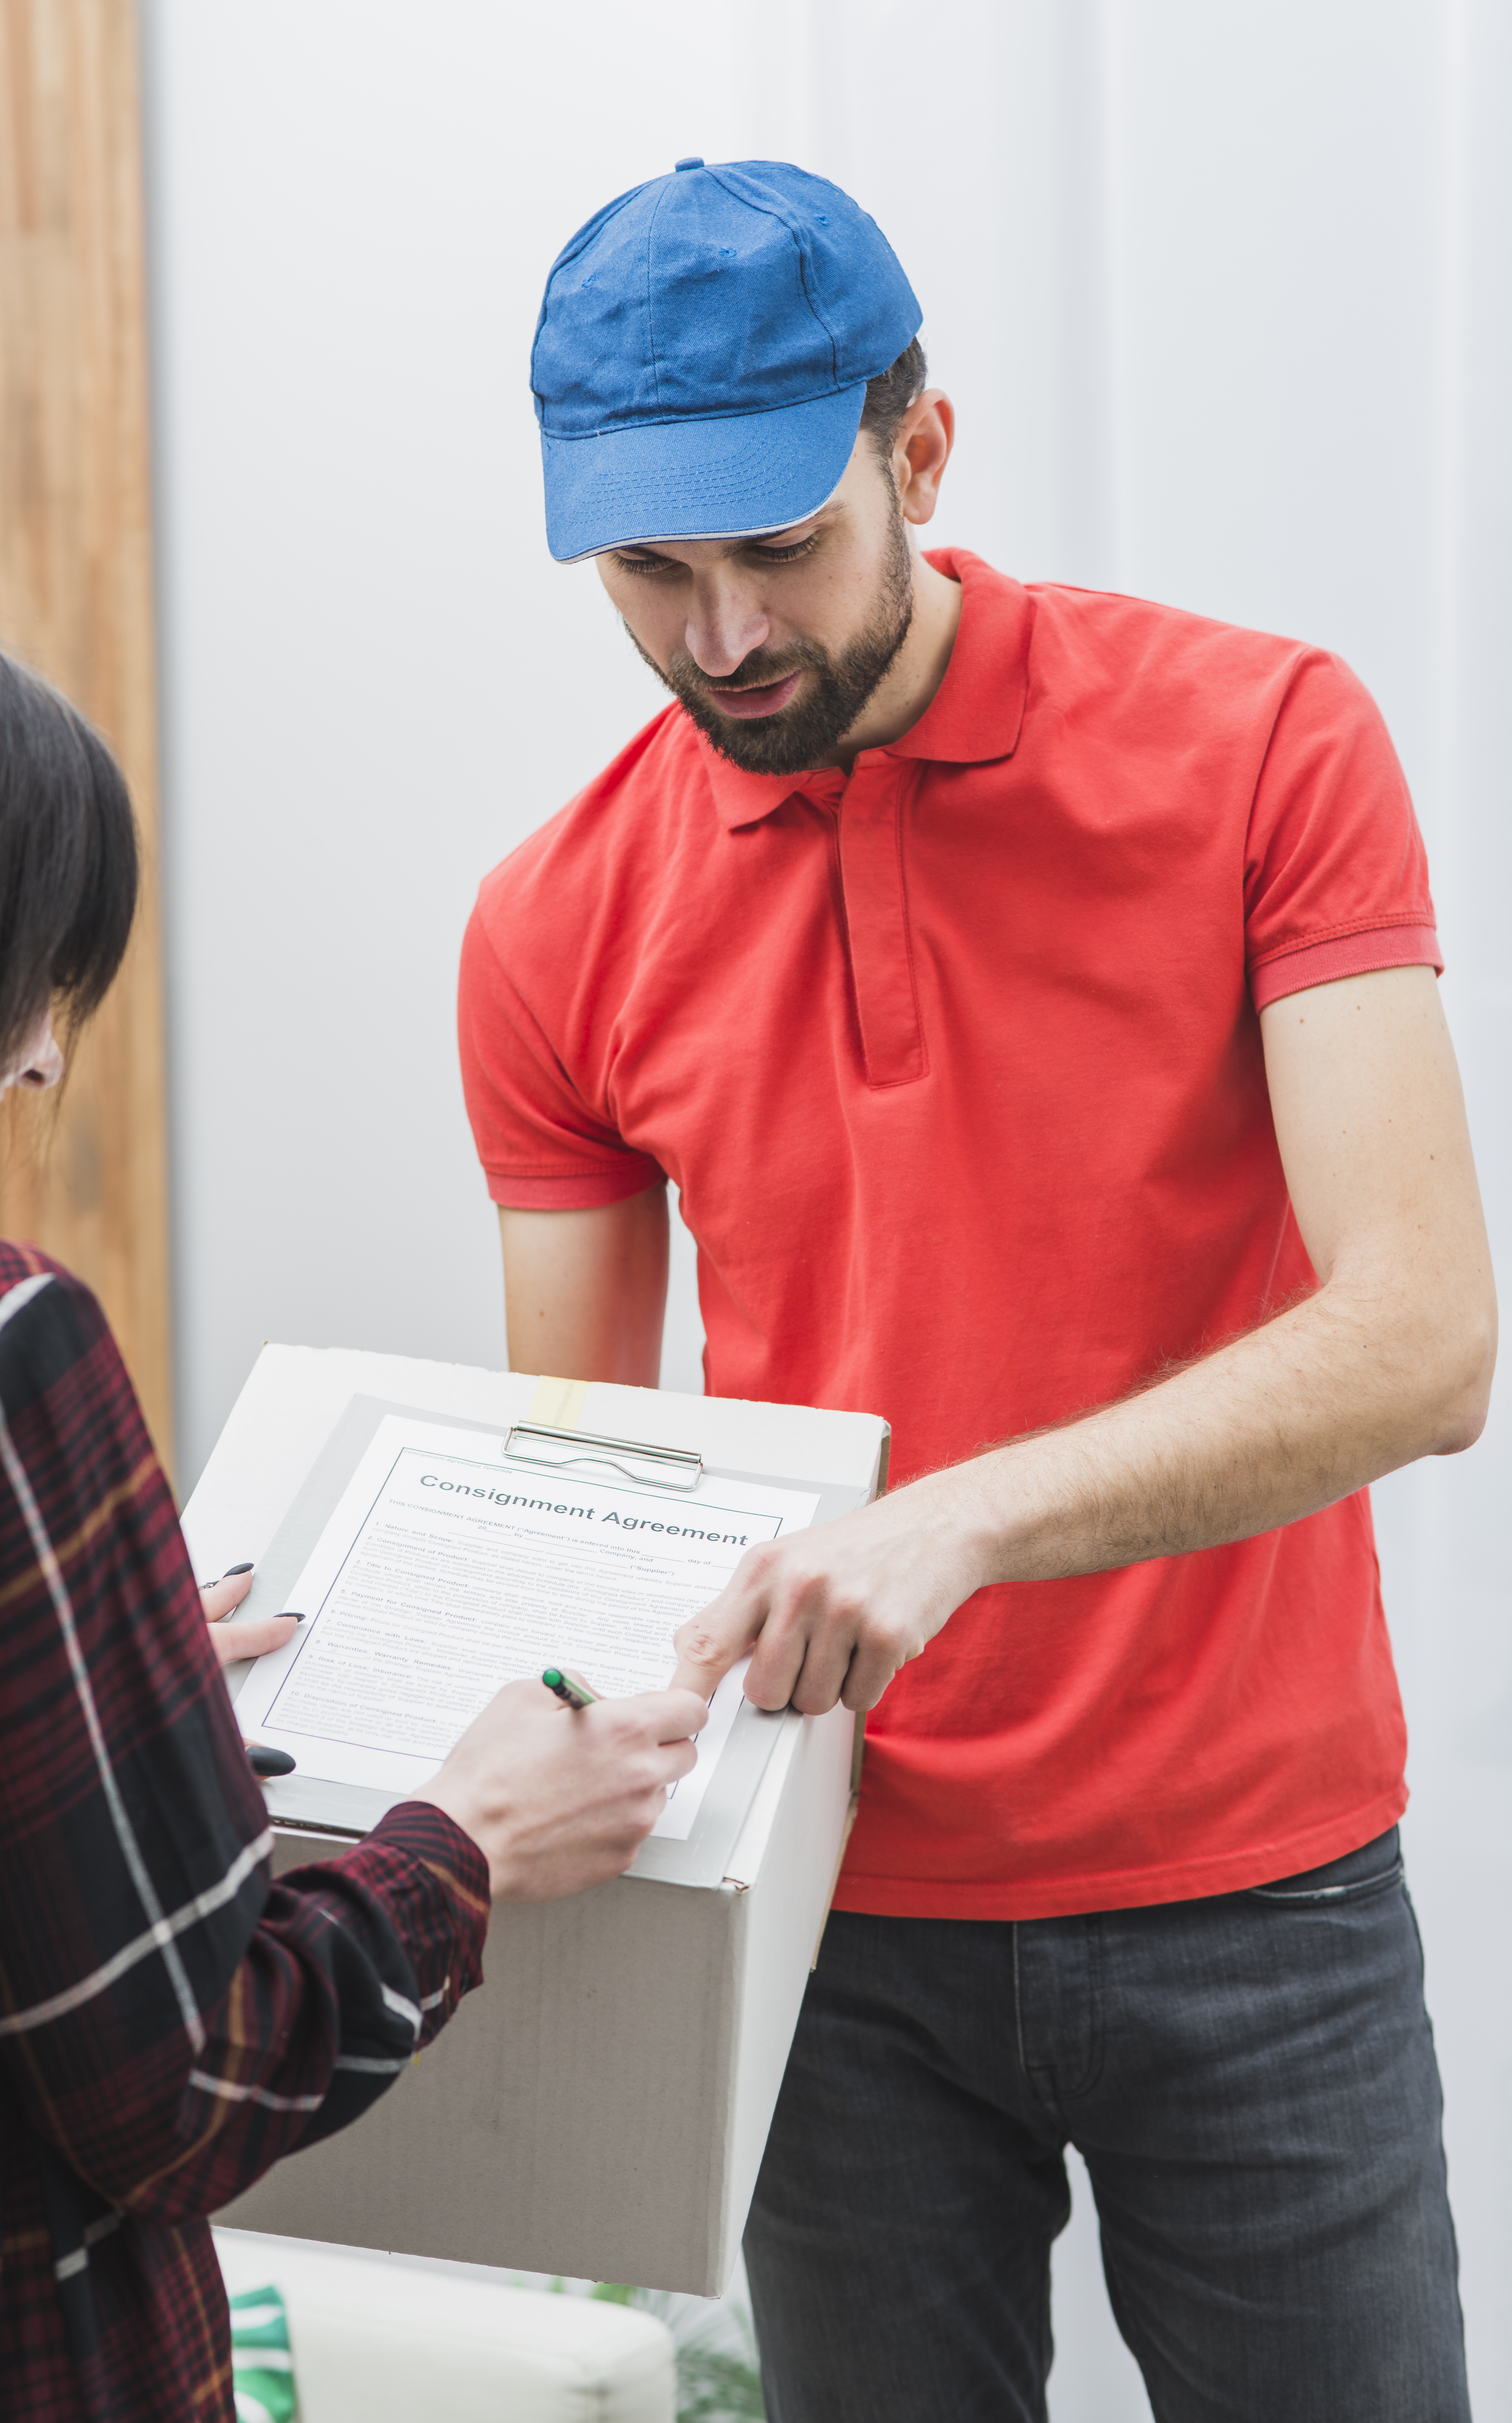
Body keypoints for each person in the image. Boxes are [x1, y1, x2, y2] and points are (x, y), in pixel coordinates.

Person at [457, 159, 1497, 2421]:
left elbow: (1428, 1341)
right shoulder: (552, 925)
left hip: (1264, 1899)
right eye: (648, 569)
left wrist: (962, 1518)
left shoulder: (1267, 747)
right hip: (821, 1931)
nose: (721, 637)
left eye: (781, 549)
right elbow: (583, 1485)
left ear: (919, 454)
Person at [0, 592, 706, 2423]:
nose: (38, 1063)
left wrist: (68, 1675)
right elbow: (183, 2088)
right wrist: (468, 1841)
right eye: (36, 971)